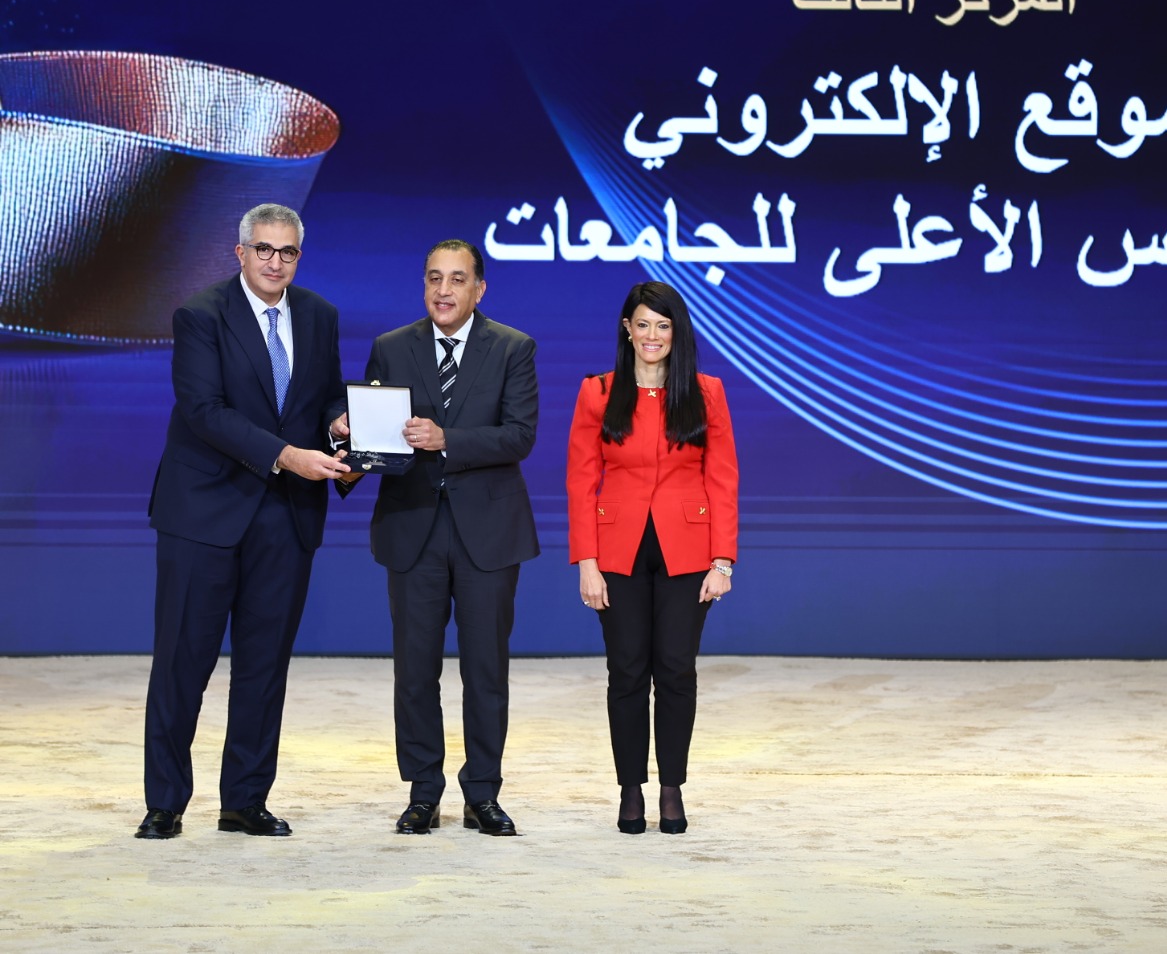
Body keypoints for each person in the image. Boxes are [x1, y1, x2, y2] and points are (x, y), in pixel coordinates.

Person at [138, 203, 351, 840]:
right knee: (183, 662)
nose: (274, 262)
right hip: (204, 513)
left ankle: (245, 801)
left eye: (287, 252)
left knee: (264, 665)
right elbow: (205, 411)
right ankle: (165, 803)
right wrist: (288, 455)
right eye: (263, 249)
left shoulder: (319, 315)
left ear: (298, 257)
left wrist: (340, 423)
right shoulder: (200, 315)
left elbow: (324, 396)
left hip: (286, 517)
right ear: (240, 252)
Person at [345, 239, 538, 836]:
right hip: (412, 527)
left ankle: (483, 793)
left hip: (489, 532)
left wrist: (446, 439)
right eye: (434, 278)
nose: (444, 290)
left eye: (457, 279)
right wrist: (346, 441)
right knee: (414, 670)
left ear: (480, 289)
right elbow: (376, 440)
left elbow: (519, 436)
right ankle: (422, 791)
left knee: (485, 670)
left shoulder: (513, 347)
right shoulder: (391, 347)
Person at [566, 280, 738, 835]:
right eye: (643, 324)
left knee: (677, 670)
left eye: (663, 326)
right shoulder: (598, 391)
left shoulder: (707, 392)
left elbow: (723, 478)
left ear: (676, 332)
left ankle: (671, 787)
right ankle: (629, 788)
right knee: (626, 671)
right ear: (627, 329)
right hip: (617, 551)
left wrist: (723, 561)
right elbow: (581, 480)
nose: (652, 335)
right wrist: (586, 562)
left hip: (688, 550)